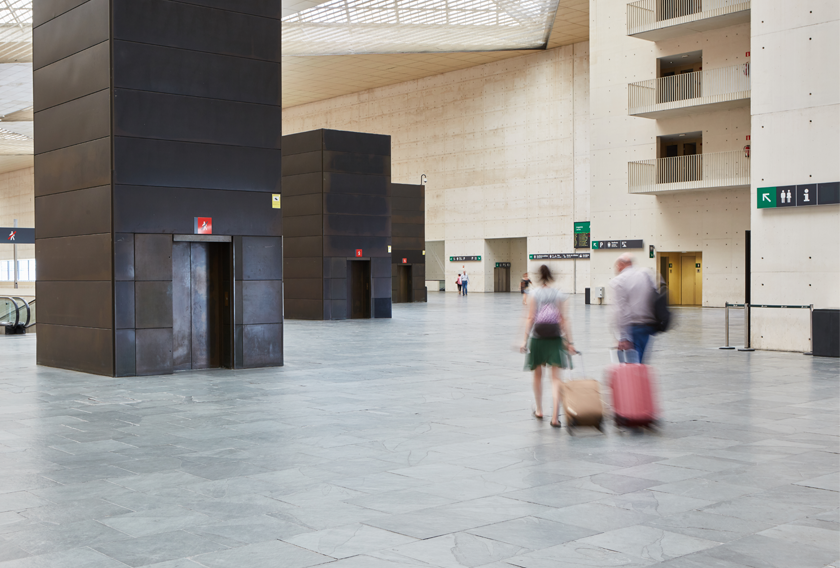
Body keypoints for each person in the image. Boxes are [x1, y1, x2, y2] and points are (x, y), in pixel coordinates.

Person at [521, 265, 575, 428]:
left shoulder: (534, 293)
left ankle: (539, 409)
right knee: (556, 379)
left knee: (537, 376)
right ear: (551, 276)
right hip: (555, 338)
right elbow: (563, 320)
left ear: (538, 277)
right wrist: (569, 342)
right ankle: (555, 418)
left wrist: (524, 340)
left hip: (538, 338)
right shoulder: (559, 294)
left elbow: (530, 317)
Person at [610, 253, 657, 362]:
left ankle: (635, 378)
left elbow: (620, 311)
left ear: (622, 264)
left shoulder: (619, 281)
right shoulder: (646, 275)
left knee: (630, 364)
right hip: (647, 326)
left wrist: (623, 337)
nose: (617, 268)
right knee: (641, 360)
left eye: (617, 265)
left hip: (632, 327)